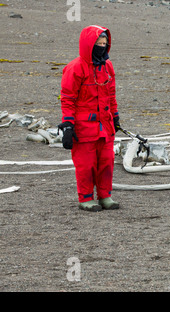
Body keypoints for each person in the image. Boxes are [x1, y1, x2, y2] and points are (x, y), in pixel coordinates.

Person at [58, 25, 121, 212]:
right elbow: (68, 98)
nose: (102, 46)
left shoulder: (107, 66)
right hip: (84, 127)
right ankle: (85, 198)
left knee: (106, 162)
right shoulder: (75, 68)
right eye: (98, 43)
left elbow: (111, 95)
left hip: (105, 125)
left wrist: (115, 117)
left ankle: (105, 196)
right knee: (86, 165)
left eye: (104, 43)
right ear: (88, 44)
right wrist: (68, 125)